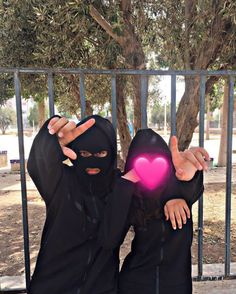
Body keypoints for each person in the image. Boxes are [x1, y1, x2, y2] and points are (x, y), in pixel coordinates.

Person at [100, 129, 209, 294]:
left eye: (159, 161)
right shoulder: (131, 197)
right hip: (135, 284)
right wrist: (126, 184)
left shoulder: (181, 191)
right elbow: (109, 239)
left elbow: (192, 185)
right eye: (142, 162)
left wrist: (181, 186)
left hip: (177, 286)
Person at [27, 114, 126, 294]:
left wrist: (180, 193)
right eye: (85, 153)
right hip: (52, 286)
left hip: (101, 287)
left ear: (111, 153)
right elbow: (39, 163)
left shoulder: (120, 186)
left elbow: (155, 196)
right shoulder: (61, 182)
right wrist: (50, 141)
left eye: (101, 153)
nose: (93, 162)